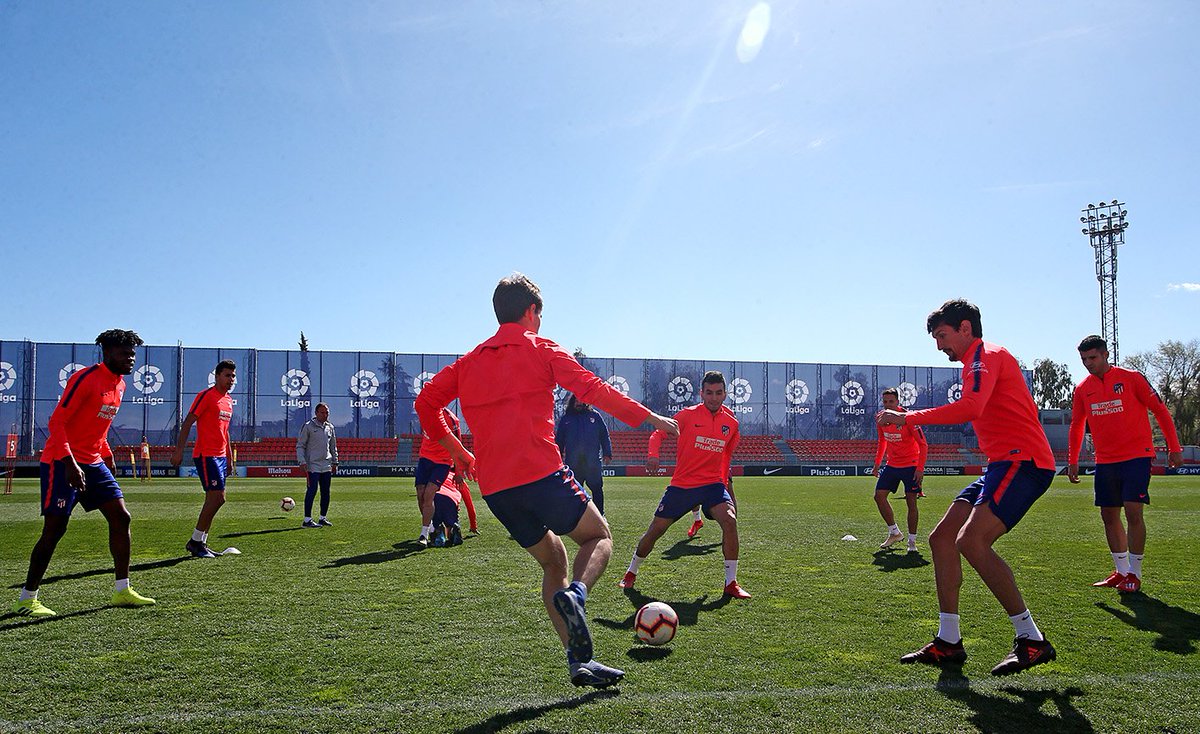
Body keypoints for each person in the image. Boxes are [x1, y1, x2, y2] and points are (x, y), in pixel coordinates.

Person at [415, 272, 678, 689]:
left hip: (498, 490)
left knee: (552, 559)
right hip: (541, 474)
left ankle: (580, 661)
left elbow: (425, 403)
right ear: (532, 311)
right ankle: (577, 595)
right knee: (599, 537)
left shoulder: (468, 363)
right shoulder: (541, 348)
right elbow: (592, 389)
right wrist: (650, 418)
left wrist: (456, 450)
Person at [878, 299, 1057, 676]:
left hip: (1023, 462)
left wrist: (909, 417)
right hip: (1002, 464)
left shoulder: (984, 355)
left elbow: (973, 407)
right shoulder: (977, 361)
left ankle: (1032, 639)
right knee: (941, 539)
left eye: (942, 336)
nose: (939, 345)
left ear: (965, 328)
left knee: (971, 541)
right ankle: (948, 641)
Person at [11, 329, 156, 617]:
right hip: (61, 461)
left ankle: (122, 590)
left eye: (133, 354)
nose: (131, 359)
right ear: (107, 353)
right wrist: (69, 463)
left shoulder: (121, 385)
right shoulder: (86, 379)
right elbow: (58, 422)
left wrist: (106, 453)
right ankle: (27, 598)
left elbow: (96, 427)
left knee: (121, 516)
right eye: (124, 353)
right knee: (55, 530)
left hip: (93, 461)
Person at [1067, 335, 1183, 594]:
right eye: (1084, 359)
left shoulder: (1132, 379)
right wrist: (1073, 460)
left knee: (1133, 511)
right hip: (1105, 460)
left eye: (1093, 358)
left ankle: (1135, 573)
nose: (1088, 363)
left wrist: (1174, 448)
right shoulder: (1083, 388)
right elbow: (1077, 425)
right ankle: (1120, 572)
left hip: (1136, 456)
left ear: (1106, 355)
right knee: (1108, 515)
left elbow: (1161, 411)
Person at [619, 371, 751, 600]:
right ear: (701, 393)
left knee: (730, 521)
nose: (713, 398)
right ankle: (631, 572)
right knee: (656, 530)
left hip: (712, 485)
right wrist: (653, 455)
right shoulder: (687, 416)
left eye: (718, 393)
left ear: (725, 394)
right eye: (709, 393)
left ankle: (731, 583)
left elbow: (726, 455)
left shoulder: (731, 423)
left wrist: (723, 481)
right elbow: (658, 434)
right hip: (683, 485)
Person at [172, 359, 236, 559]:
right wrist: (178, 451)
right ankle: (195, 541)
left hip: (220, 456)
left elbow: (225, 432)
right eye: (227, 375)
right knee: (218, 498)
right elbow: (188, 422)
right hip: (206, 454)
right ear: (217, 376)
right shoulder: (206, 396)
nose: (231, 379)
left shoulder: (228, 401)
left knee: (215, 499)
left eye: (233, 376)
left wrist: (229, 457)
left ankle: (201, 543)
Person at [870, 387, 928, 552]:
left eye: (891, 401)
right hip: (892, 464)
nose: (888, 405)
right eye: (885, 401)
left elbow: (923, 444)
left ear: (898, 402)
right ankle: (894, 532)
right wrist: (877, 464)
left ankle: (912, 542)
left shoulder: (908, 418)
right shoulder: (880, 419)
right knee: (879, 496)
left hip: (911, 465)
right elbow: (882, 442)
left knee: (911, 502)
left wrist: (920, 468)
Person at [415, 406, 471, 545]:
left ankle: (424, 535)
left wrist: (458, 472)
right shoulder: (424, 411)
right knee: (420, 494)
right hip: (425, 458)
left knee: (429, 494)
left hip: (442, 462)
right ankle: (435, 527)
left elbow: (457, 445)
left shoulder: (452, 420)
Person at [555, 395, 613, 514]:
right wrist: (557, 456)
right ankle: (576, 517)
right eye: (576, 400)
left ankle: (600, 515)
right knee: (573, 491)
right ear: (572, 402)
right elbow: (559, 439)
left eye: (580, 400)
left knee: (597, 489)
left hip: (592, 463)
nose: (578, 402)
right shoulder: (566, 419)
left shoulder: (595, 416)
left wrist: (607, 453)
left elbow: (604, 435)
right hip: (573, 463)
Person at [297, 402, 339, 528]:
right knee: (312, 490)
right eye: (322, 412)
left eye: (327, 413)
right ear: (316, 413)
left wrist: (335, 461)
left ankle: (322, 518)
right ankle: (307, 520)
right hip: (312, 465)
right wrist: (302, 461)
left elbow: (333, 446)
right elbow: (300, 445)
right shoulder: (308, 426)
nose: (325, 415)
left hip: (326, 464)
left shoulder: (330, 427)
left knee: (326, 492)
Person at [429, 471, 468, 547]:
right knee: (450, 522)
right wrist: (473, 525)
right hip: (452, 499)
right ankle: (453, 529)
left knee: (436, 520)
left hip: (436, 495)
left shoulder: (436, 472)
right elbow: (469, 504)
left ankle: (439, 534)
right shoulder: (458, 478)